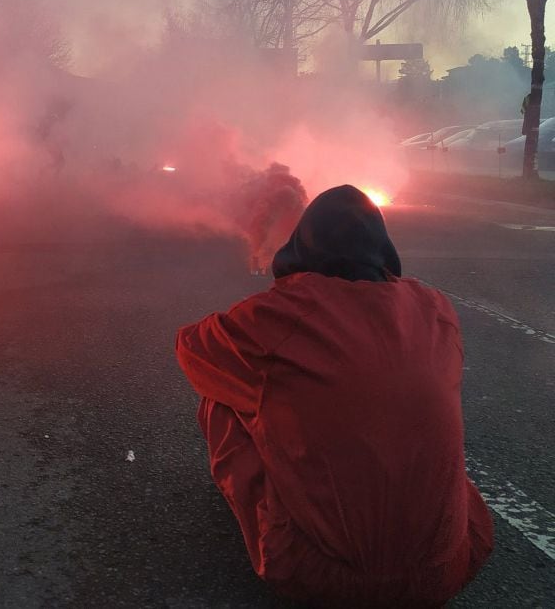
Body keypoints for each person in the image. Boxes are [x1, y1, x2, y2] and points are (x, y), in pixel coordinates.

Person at [176, 185, 493, 607]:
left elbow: (191, 349)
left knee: (222, 396)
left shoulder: (279, 316)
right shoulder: (435, 308)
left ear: (302, 245)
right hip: (446, 570)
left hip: (321, 578)